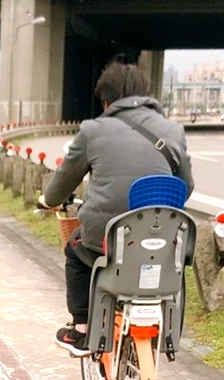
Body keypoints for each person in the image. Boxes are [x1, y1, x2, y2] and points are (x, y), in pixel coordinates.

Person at [36, 60, 194, 356]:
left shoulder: (92, 130)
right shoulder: (172, 130)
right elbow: (186, 186)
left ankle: (81, 329)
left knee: (75, 248)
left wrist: (49, 201)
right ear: (145, 95)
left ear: (106, 100)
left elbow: (63, 182)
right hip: (163, 238)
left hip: (105, 239)